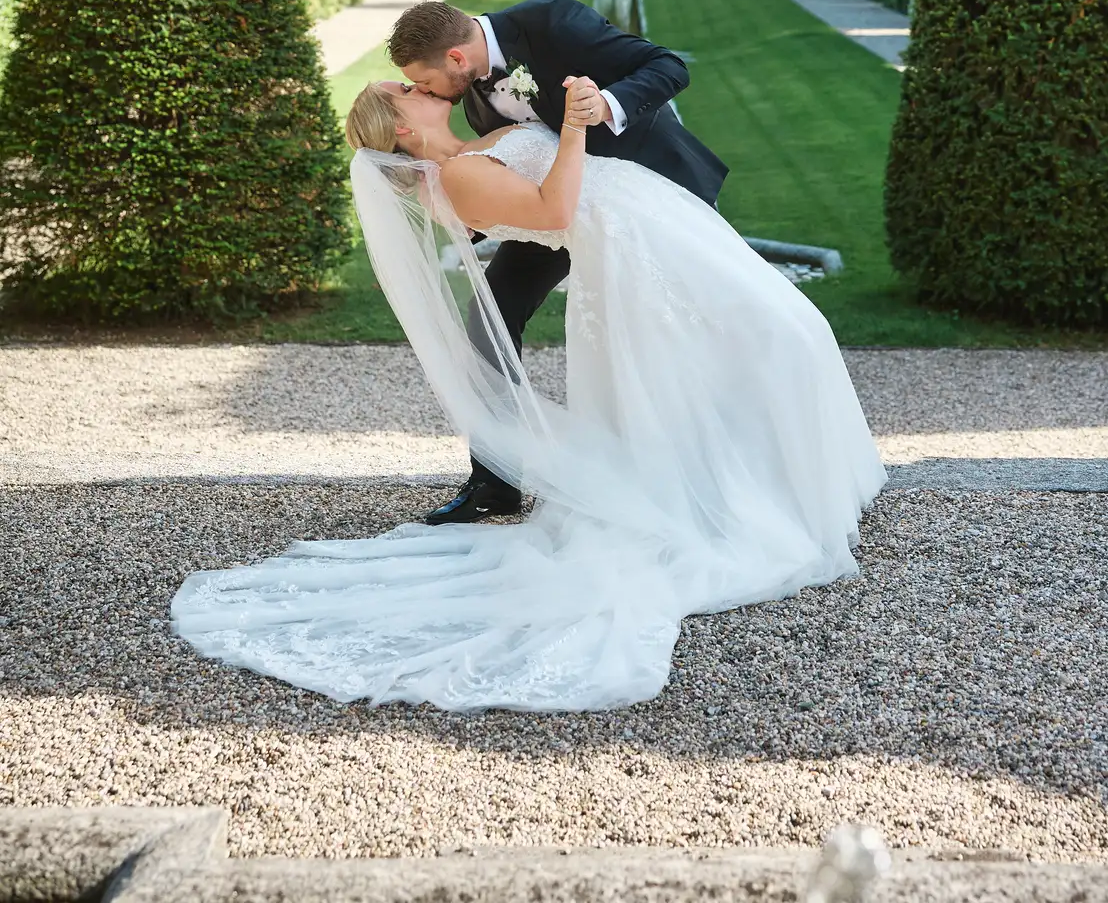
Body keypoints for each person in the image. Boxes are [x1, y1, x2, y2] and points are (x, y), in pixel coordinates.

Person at [171, 65, 885, 713]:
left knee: (781, 335)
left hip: (660, 226)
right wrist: (572, 128)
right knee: (782, 334)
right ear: (400, 128)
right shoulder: (456, 179)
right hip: (635, 247)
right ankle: (764, 492)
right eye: (406, 91)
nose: (419, 86)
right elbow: (551, 213)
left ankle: (778, 477)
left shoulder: (478, 142)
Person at [386, 0, 728, 526]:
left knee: (664, 330)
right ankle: (494, 482)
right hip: (559, 209)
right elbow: (503, 180)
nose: (425, 92)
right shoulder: (471, 94)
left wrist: (607, 105)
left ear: (456, 57)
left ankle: (699, 466)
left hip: (644, 199)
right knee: (489, 322)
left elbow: (668, 66)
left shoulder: (552, 22)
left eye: (424, 81)